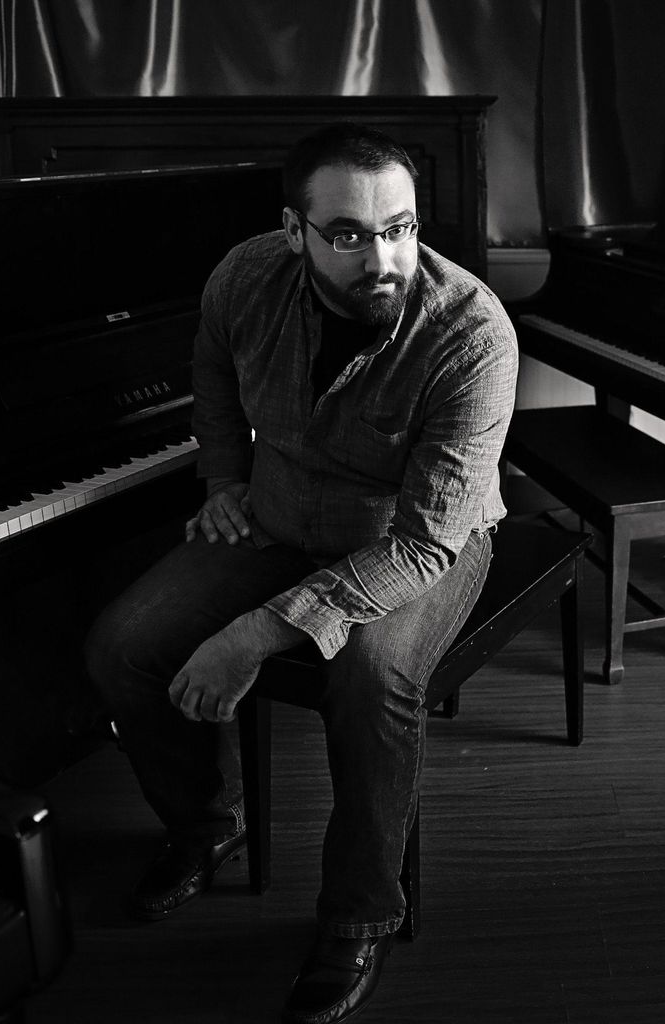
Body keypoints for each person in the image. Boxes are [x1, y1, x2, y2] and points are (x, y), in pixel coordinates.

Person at [84, 121, 518, 1024]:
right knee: (121, 644)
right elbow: (211, 372)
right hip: (278, 517)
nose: (382, 259)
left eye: (399, 228)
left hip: (411, 542)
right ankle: (207, 825)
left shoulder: (473, 333)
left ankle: (360, 916)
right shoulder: (243, 276)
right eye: (349, 234)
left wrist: (252, 633)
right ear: (295, 231)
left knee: (370, 677)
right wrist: (222, 478)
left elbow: (425, 544)